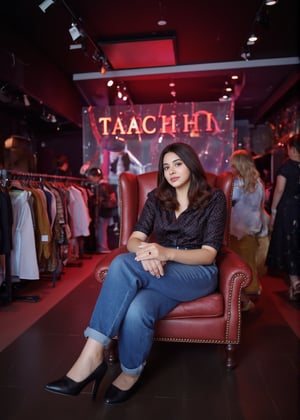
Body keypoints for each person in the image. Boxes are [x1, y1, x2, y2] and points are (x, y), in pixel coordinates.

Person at [45, 142, 227, 404]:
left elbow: (209, 253)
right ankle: (131, 372)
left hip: (197, 272)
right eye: (166, 167)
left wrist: (165, 253)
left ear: (191, 164)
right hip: (161, 270)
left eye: (177, 164)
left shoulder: (213, 198)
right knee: (137, 309)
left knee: (121, 264)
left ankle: (92, 355)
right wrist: (147, 254)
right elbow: (134, 239)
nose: (171, 171)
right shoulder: (157, 197)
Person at [229, 149, 269, 311]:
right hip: (253, 227)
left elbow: (230, 201)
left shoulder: (237, 184)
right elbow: (261, 205)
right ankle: (252, 290)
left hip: (237, 228)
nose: (231, 168)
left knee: (236, 262)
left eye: (233, 165)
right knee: (249, 260)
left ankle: (244, 296)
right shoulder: (258, 182)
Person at [266, 134, 300, 301]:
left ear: (292, 149)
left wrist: (273, 210)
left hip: (288, 210)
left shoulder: (286, 168)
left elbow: (279, 190)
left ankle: (295, 283)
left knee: (289, 243)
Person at [87, 167, 117, 254]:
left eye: (91, 177)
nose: (90, 180)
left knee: (101, 230)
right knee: (104, 229)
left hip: (102, 211)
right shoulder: (107, 185)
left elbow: (99, 201)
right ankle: (104, 246)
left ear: (96, 176)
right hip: (108, 211)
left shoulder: (101, 187)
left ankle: (103, 247)